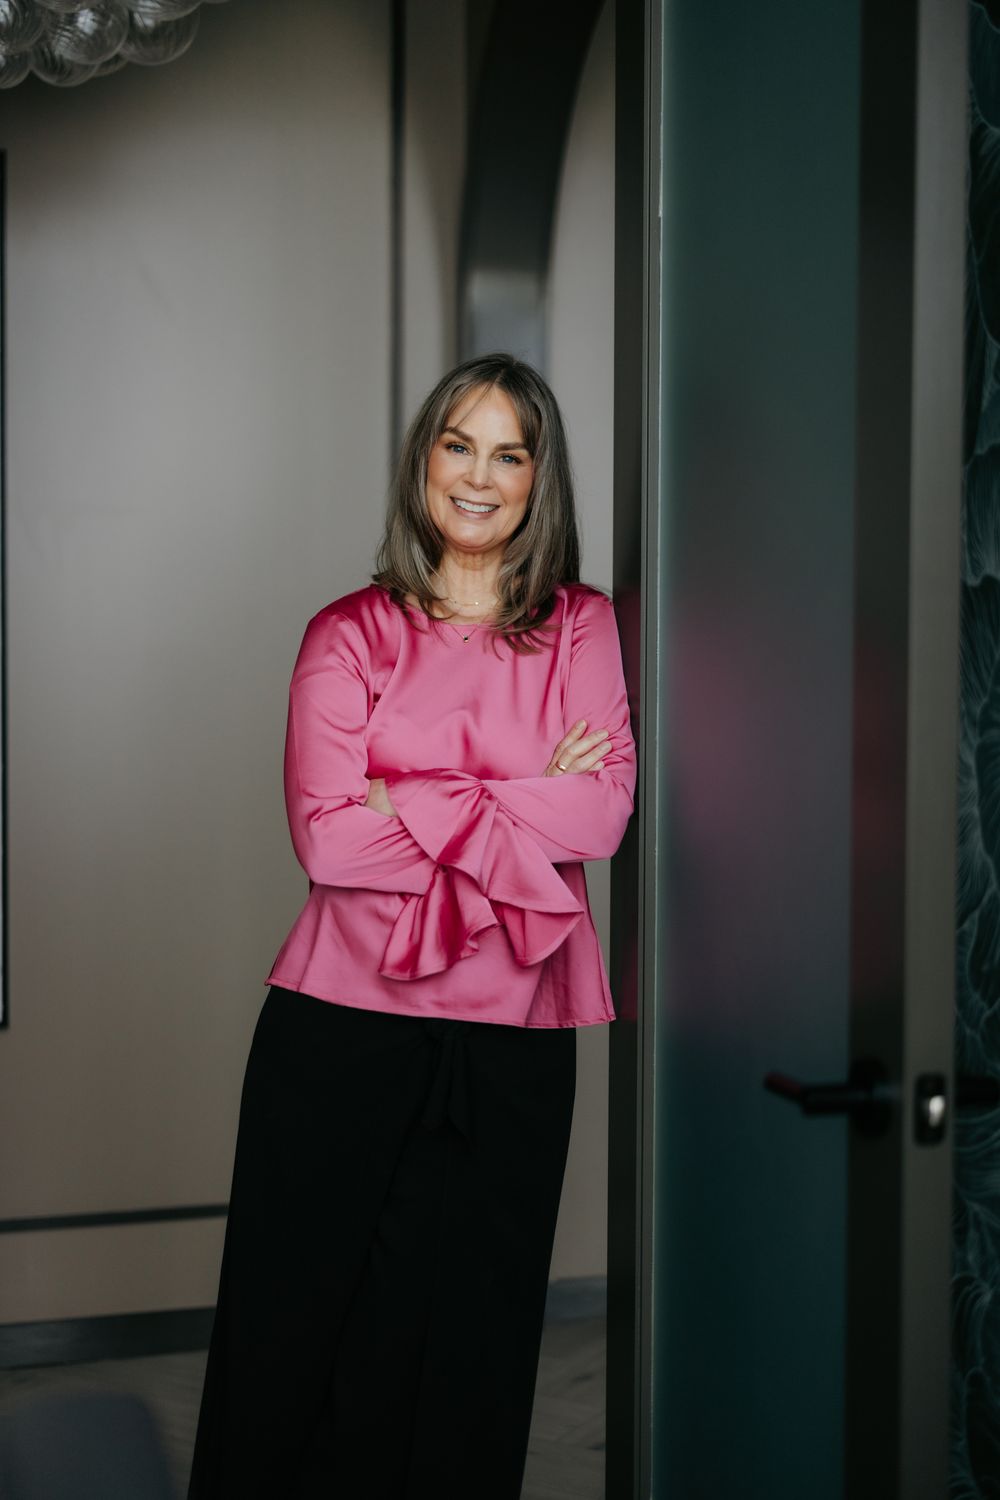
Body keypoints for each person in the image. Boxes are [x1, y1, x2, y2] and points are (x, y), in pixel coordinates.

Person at [186, 352, 637, 1500]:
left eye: (508, 453)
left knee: (472, 1344)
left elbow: (602, 811)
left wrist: (413, 796)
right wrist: (515, 791)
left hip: (517, 1037)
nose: (478, 477)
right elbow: (328, 844)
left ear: (540, 479)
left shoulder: (582, 628)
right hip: (340, 1027)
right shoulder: (347, 633)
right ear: (424, 461)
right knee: (292, 1328)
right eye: (458, 445)